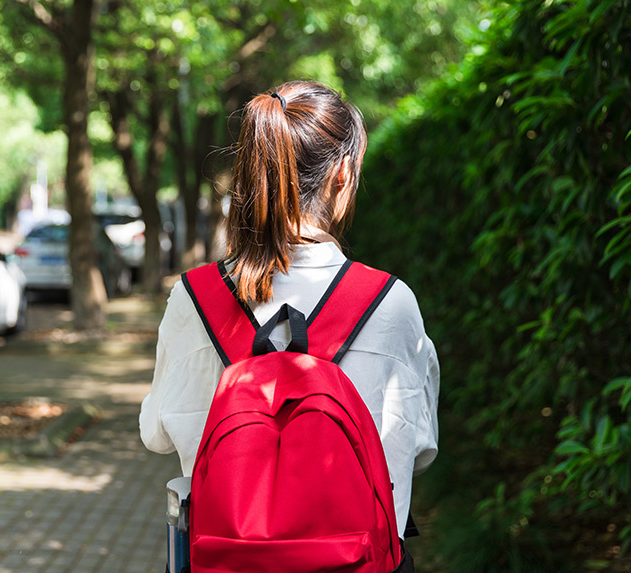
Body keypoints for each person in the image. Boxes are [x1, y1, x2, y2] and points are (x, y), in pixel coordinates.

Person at [139, 80, 439, 539]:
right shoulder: (390, 304)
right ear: (342, 173)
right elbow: (420, 450)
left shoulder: (195, 299)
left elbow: (156, 434)